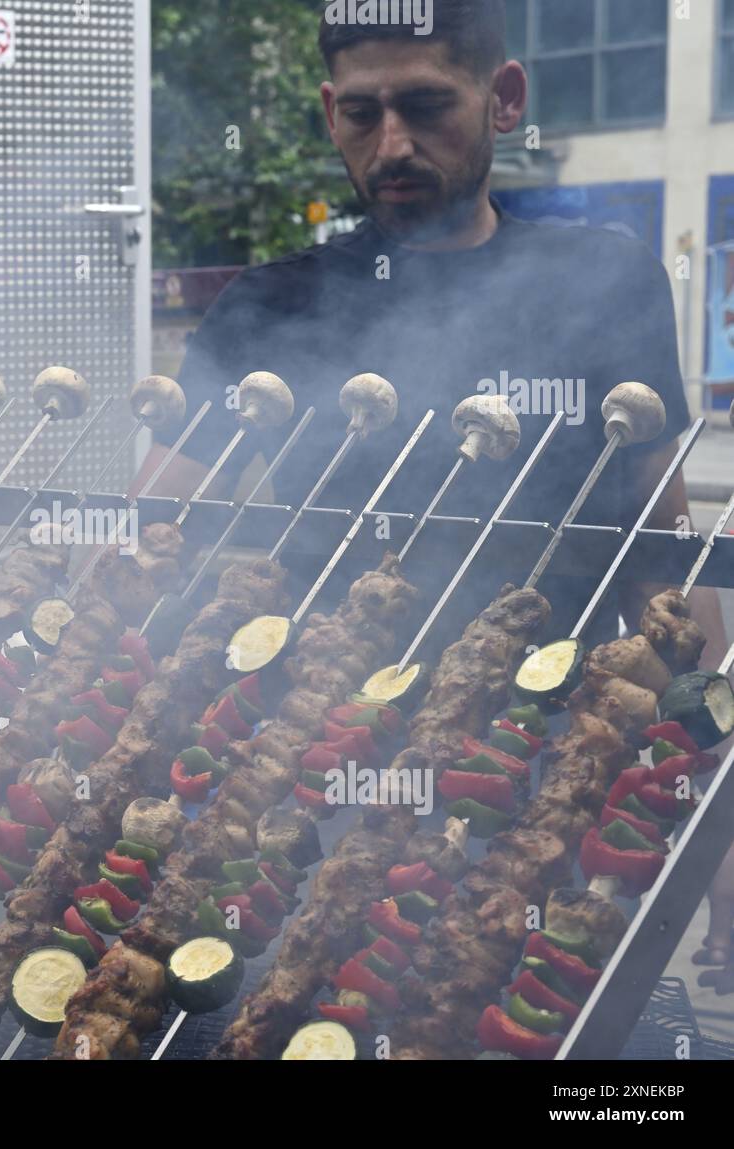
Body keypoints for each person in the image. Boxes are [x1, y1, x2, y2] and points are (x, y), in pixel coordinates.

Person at [132, 0, 733, 970]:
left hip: (532, 778)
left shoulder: (601, 281)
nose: (392, 143)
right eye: (362, 113)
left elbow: (656, 556)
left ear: (503, 99)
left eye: (424, 104)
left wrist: (705, 797)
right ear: (329, 112)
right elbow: (149, 539)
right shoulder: (269, 307)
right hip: (307, 772)